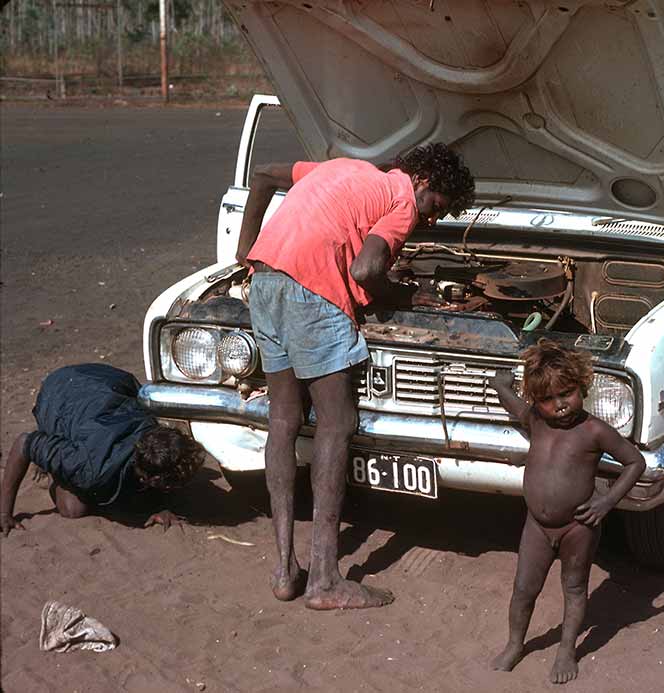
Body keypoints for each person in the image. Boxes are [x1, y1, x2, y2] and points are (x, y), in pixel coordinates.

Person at [235, 143, 475, 610]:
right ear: (422, 181)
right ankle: (324, 580)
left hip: (265, 282)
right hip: (312, 295)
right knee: (337, 425)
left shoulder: (341, 167)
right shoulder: (403, 200)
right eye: (436, 208)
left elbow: (263, 174)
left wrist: (245, 252)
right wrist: (407, 297)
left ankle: (285, 572)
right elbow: (365, 270)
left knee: (282, 422)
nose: (428, 220)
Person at [488, 340, 646, 683]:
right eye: (547, 399)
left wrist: (607, 501)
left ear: (582, 387)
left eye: (567, 394)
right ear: (536, 401)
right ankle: (515, 644)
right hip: (537, 526)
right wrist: (500, 385)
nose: (559, 405)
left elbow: (636, 462)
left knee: (574, 588)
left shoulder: (593, 431)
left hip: (578, 526)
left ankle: (566, 651)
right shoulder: (536, 420)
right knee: (523, 588)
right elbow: (514, 405)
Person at [1, 364, 205, 536]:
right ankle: (53, 455)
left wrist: (159, 506)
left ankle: (55, 452)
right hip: (59, 392)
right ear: (147, 479)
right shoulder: (89, 467)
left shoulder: (151, 428)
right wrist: (4, 513)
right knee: (72, 508)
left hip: (107, 381)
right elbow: (23, 443)